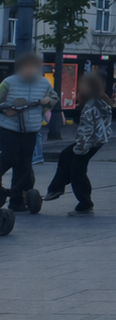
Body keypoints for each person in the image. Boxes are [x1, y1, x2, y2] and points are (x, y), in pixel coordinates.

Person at [44, 72, 112, 215]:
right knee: (66, 155)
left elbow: (86, 130)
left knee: (77, 171)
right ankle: (56, 188)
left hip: (89, 142)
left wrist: (80, 148)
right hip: (96, 141)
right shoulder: (102, 100)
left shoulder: (92, 104)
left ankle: (84, 203)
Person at [0, 52, 58, 215]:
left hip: (31, 130)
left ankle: (16, 200)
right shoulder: (8, 83)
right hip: (9, 128)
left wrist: (49, 101)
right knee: (9, 158)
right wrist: (7, 109)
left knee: (24, 167)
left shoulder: (44, 83)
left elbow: (54, 97)